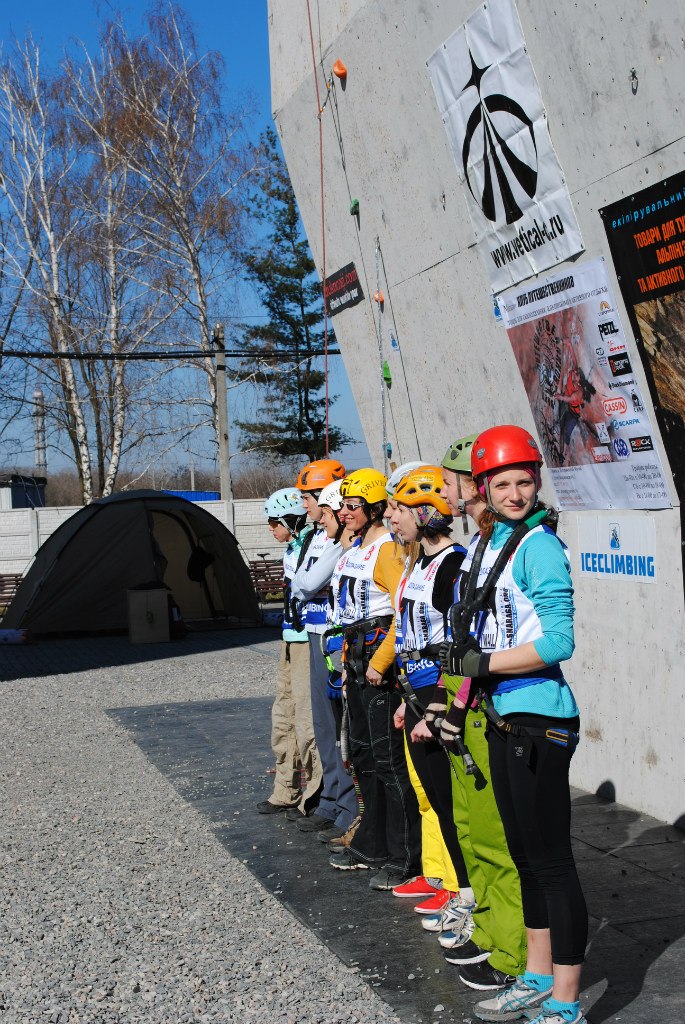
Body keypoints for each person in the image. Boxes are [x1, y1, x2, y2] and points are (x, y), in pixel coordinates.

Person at [441, 425, 587, 1024]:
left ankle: (567, 1003)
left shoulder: (538, 546)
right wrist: (458, 699)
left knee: (552, 861)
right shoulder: (493, 543)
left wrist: (485, 664)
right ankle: (535, 974)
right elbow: (484, 633)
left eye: (525, 481)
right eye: (502, 483)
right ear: (483, 487)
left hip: (541, 720)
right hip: (502, 716)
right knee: (524, 856)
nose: (516, 492)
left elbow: (559, 641)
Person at [435, 435, 528, 991]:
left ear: (472, 486)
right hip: (465, 693)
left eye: (450, 482)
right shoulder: (478, 545)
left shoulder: (507, 545)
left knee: (496, 836)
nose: (445, 492)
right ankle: (492, 928)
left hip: (489, 698)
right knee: (472, 828)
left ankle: (513, 949)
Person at [389, 466, 481, 933]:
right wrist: (408, 697)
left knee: (454, 803)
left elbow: (460, 639)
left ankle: (469, 895)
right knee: (439, 802)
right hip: (416, 687)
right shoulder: (417, 562)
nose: (391, 517)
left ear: (425, 513)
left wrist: (440, 704)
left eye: (399, 509)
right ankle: (462, 891)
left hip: (439, 690)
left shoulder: (453, 563)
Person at [328, 468, 421, 890]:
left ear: (375, 509)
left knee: (387, 759)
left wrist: (381, 661)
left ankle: (405, 853)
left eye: (353, 506)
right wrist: (347, 663)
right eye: (343, 506)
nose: (344, 513)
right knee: (362, 754)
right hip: (355, 654)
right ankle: (375, 839)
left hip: (376, 654)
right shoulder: (352, 550)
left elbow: (401, 612)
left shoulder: (387, 549)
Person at [290, 459, 359, 837]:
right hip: (316, 633)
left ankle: (348, 805)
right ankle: (333, 799)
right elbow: (300, 582)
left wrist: (305, 583)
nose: (304, 506)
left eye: (308, 497)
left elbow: (311, 580)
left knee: (341, 726)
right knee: (323, 724)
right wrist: (304, 583)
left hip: (332, 637)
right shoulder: (318, 535)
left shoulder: (338, 538)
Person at [256, 488, 322, 817]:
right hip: (289, 637)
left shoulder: (317, 544)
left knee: (306, 719)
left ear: (289, 519)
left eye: (273, 522)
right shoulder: (293, 548)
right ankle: (285, 787)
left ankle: (314, 794)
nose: (270, 528)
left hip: (307, 640)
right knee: (282, 716)